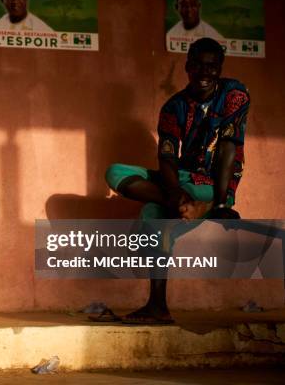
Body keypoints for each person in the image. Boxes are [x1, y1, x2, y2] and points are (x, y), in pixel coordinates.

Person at [105, 37, 250, 324]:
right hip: (182, 180)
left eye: (212, 66)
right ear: (188, 67)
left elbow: (228, 149)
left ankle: (210, 206)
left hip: (215, 182)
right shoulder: (174, 107)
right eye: (198, 66)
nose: (205, 73)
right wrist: (174, 193)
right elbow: (168, 156)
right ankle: (189, 207)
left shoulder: (235, 94)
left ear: (220, 68)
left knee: (150, 216)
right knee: (115, 173)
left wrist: (221, 200)